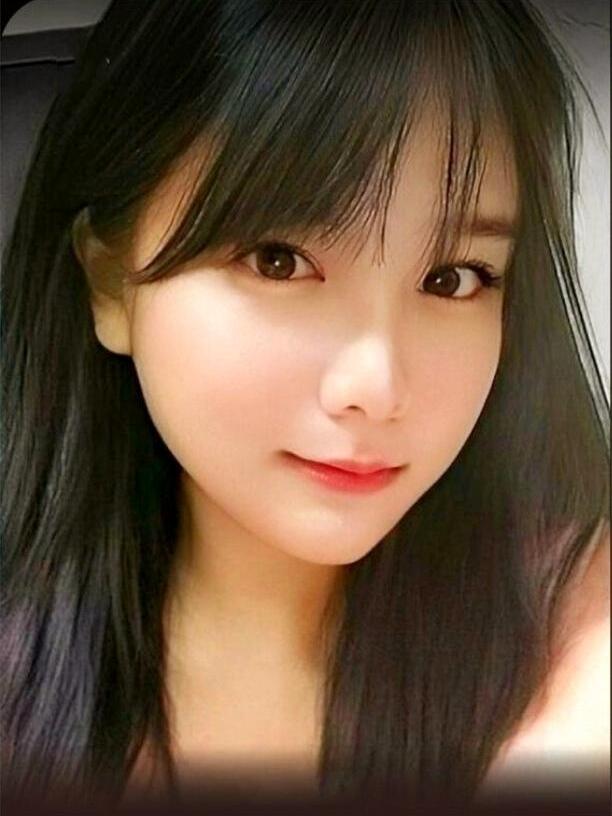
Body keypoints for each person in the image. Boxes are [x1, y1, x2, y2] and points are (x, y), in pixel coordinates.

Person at [1, 0, 609, 809]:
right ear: (112, 282)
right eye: (279, 260)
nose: (377, 386)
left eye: (452, 278)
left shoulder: (575, 633)